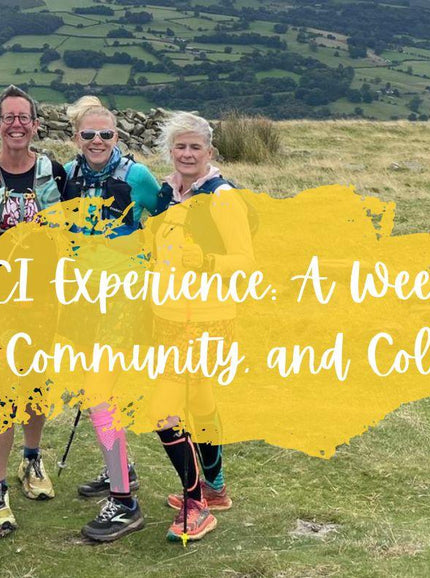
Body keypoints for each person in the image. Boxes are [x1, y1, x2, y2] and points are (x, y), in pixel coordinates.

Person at [0, 84, 70, 534]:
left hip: (44, 299)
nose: (17, 124)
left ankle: (31, 459)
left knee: (38, 386)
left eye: (25, 117)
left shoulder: (53, 173)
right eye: (9, 117)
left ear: (36, 124)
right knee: (0, 393)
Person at [61, 96, 163, 542]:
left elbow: (166, 224)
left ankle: (124, 503)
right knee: (96, 391)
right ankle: (120, 468)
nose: (98, 140)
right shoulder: (69, 174)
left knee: (102, 394)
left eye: (106, 134)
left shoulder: (137, 176)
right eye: (89, 134)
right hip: (84, 301)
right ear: (76, 137)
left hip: (124, 302)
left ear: (118, 137)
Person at [150, 111, 252, 542]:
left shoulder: (223, 196)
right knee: (202, 398)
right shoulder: (169, 192)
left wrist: (207, 262)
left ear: (209, 151)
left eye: (195, 147)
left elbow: (246, 263)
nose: (187, 154)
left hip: (207, 320)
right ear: (170, 151)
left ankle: (196, 506)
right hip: (169, 316)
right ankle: (215, 488)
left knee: (162, 411)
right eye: (180, 146)